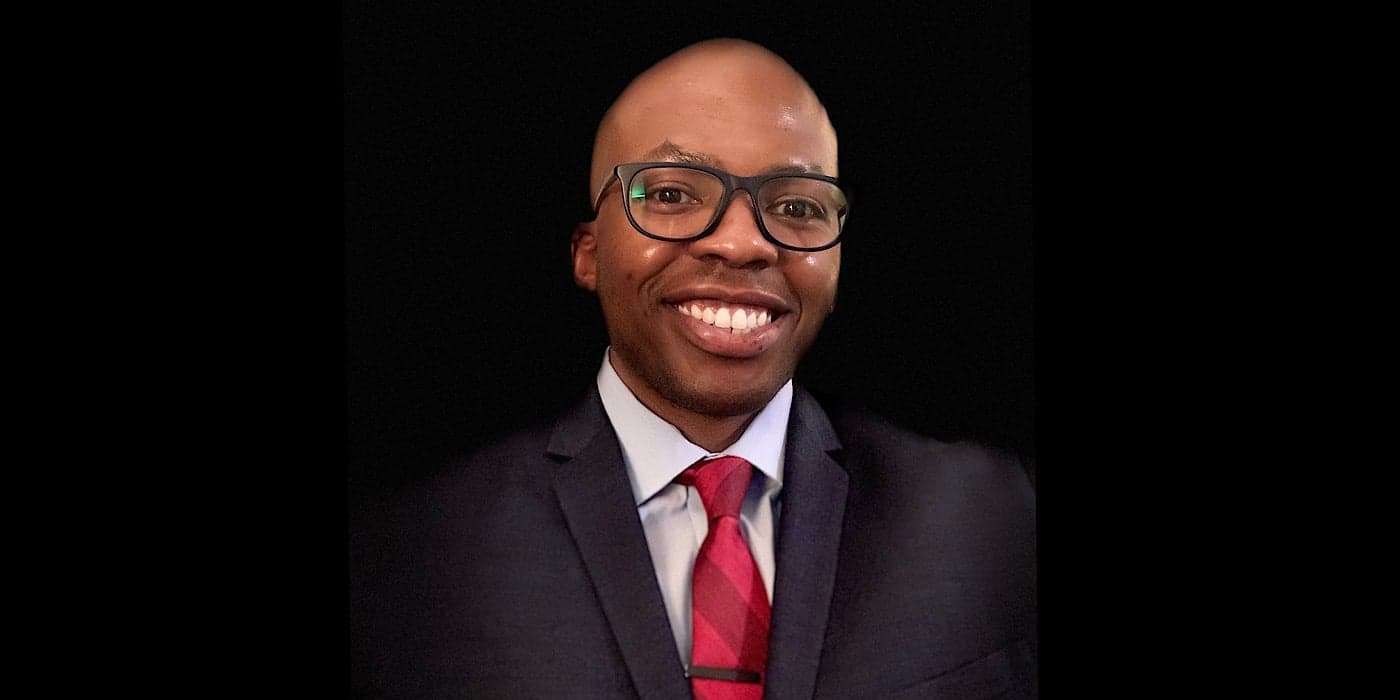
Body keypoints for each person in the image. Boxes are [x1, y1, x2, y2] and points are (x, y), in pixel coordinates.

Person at [350, 38, 1036, 699]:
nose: (742, 244)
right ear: (588, 254)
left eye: (796, 206)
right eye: (673, 196)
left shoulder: (989, 514)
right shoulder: (412, 550)